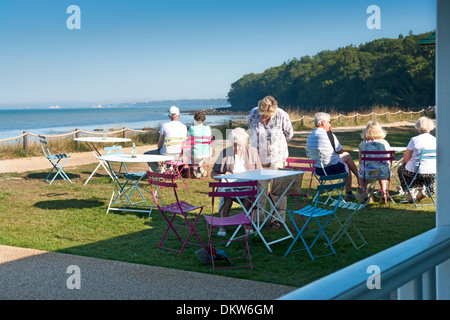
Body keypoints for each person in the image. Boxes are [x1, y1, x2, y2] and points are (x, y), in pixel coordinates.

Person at [247, 96, 293, 228]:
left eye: (267, 115)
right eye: (262, 114)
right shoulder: (253, 114)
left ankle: (277, 220)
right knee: (258, 192)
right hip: (258, 160)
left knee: (278, 192)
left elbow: (289, 134)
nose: (264, 117)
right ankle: (258, 220)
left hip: (277, 160)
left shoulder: (282, 115)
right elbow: (251, 133)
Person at [211, 127, 262, 236]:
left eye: (240, 145)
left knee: (250, 193)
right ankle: (223, 225)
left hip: (247, 185)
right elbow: (213, 173)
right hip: (230, 186)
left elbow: (259, 173)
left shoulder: (252, 152)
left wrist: (252, 176)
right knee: (226, 195)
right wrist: (222, 175)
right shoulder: (225, 152)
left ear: (245, 143)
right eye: (235, 145)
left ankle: (247, 223)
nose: (237, 148)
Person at [306, 112, 359, 201]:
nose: (330, 124)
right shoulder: (328, 135)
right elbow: (340, 151)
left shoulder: (310, 136)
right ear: (323, 123)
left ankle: (358, 180)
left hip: (318, 170)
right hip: (332, 168)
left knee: (345, 158)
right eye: (329, 122)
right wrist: (330, 134)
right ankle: (353, 186)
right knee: (347, 159)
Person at [397, 116, 436, 202]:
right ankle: (420, 191)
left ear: (418, 126)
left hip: (417, 171)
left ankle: (410, 193)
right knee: (418, 169)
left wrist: (405, 163)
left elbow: (406, 158)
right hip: (432, 172)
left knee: (402, 169)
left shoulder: (414, 140)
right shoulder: (435, 140)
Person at [145, 106, 187, 172]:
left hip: (166, 154)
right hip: (178, 155)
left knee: (146, 154)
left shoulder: (165, 126)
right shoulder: (184, 127)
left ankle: (158, 171)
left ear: (169, 116)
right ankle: (168, 170)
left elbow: (159, 145)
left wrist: (159, 148)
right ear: (179, 115)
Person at [358, 120, 391, 203]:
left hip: (368, 173)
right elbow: (389, 158)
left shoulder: (363, 144)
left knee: (360, 176)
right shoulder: (385, 143)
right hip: (384, 172)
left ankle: (365, 194)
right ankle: (384, 193)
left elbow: (360, 161)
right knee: (381, 174)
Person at [188, 110, 212, 178]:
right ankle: (199, 172)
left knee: (188, 153)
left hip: (196, 154)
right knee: (199, 150)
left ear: (195, 119)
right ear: (204, 120)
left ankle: (198, 168)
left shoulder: (192, 128)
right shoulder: (208, 128)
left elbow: (188, 139)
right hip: (207, 153)